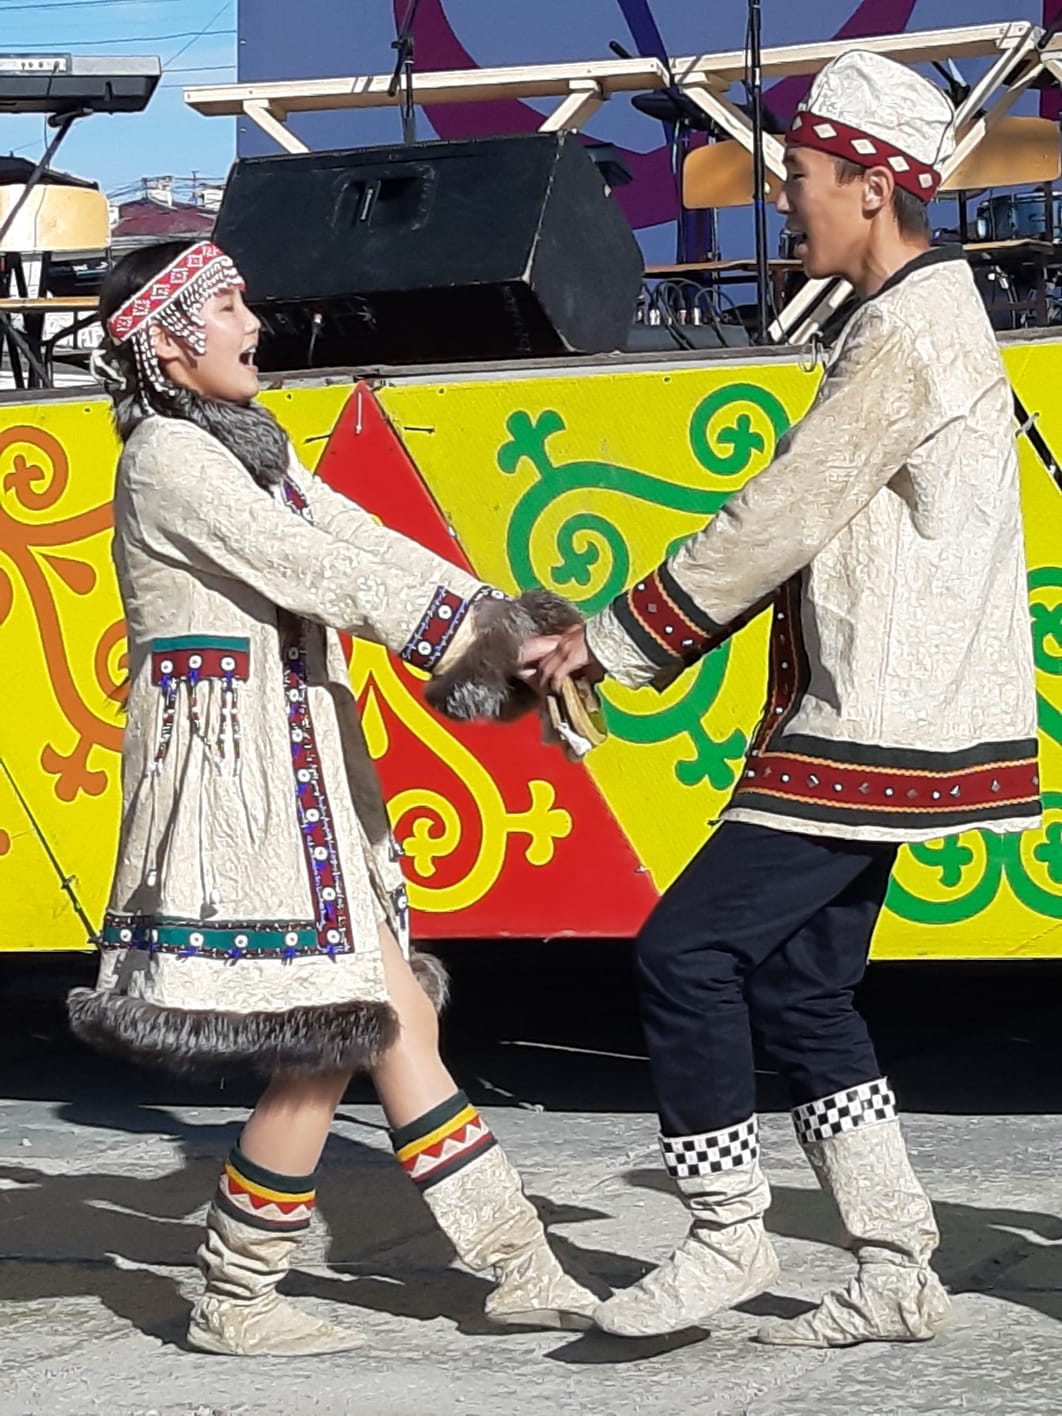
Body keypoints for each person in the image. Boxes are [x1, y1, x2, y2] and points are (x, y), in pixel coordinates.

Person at [501, 52, 1041, 1346]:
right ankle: (895, 1266)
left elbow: (779, 516)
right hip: (879, 712)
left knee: (686, 952)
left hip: (876, 724)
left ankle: (724, 1237)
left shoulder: (907, 329)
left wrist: (611, 643)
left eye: (796, 178)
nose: (781, 202)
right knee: (801, 987)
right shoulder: (912, 315)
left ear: (870, 184)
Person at [68, 239, 596, 1356]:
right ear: (165, 340)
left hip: (296, 763)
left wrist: (505, 621)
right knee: (339, 1028)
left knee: (376, 1021)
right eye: (227, 303)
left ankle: (511, 1263)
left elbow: (357, 540)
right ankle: (247, 1294)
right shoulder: (168, 455)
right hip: (241, 785)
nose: (253, 317)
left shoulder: (248, 449)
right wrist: (482, 637)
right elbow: (307, 568)